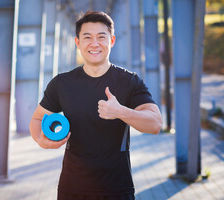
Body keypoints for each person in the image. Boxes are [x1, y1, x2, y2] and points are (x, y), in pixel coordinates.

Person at [29, 11, 162, 200]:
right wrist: (41, 140)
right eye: (87, 37)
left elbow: (155, 124)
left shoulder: (129, 81)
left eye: (101, 37)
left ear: (112, 40)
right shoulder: (62, 83)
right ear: (78, 43)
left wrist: (121, 111)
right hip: (72, 188)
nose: (95, 43)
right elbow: (37, 118)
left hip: (117, 188)